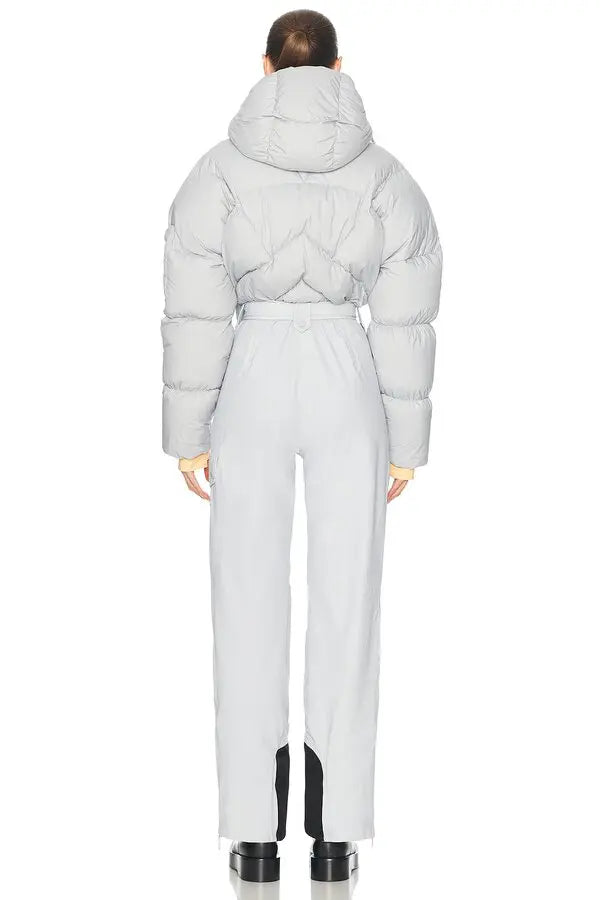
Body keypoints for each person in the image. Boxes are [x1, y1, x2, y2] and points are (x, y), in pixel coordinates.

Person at [161, 8, 442, 886]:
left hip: (250, 368)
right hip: (346, 371)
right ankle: (335, 833)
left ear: (265, 68)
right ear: (338, 67)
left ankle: (253, 834)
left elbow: (194, 306)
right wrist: (406, 441)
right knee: (349, 602)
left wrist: (187, 436)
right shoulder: (386, 176)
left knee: (245, 597)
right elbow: (406, 309)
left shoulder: (217, 173)